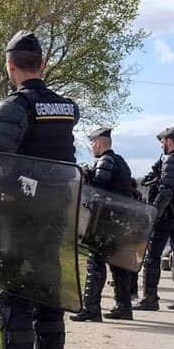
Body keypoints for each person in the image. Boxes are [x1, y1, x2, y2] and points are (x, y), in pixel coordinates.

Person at [0, 30, 79, 349]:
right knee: (49, 301)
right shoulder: (67, 107)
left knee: (14, 304)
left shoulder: (11, 106)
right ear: (42, 64)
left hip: (18, 222)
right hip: (54, 221)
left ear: (10, 65)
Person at [70, 127, 134, 322]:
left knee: (95, 263)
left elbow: (99, 189)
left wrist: (87, 176)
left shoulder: (105, 161)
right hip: (121, 222)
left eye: (92, 143)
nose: (91, 147)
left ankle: (91, 309)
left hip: (106, 221)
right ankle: (124, 307)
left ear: (99, 142)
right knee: (118, 264)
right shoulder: (120, 161)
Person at [134, 126, 174, 312]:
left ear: (168, 141)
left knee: (152, 257)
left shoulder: (170, 159)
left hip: (166, 216)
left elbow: (167, 190)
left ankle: (150, 298)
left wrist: (154, 212)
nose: (161, 145)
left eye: (162, 142)